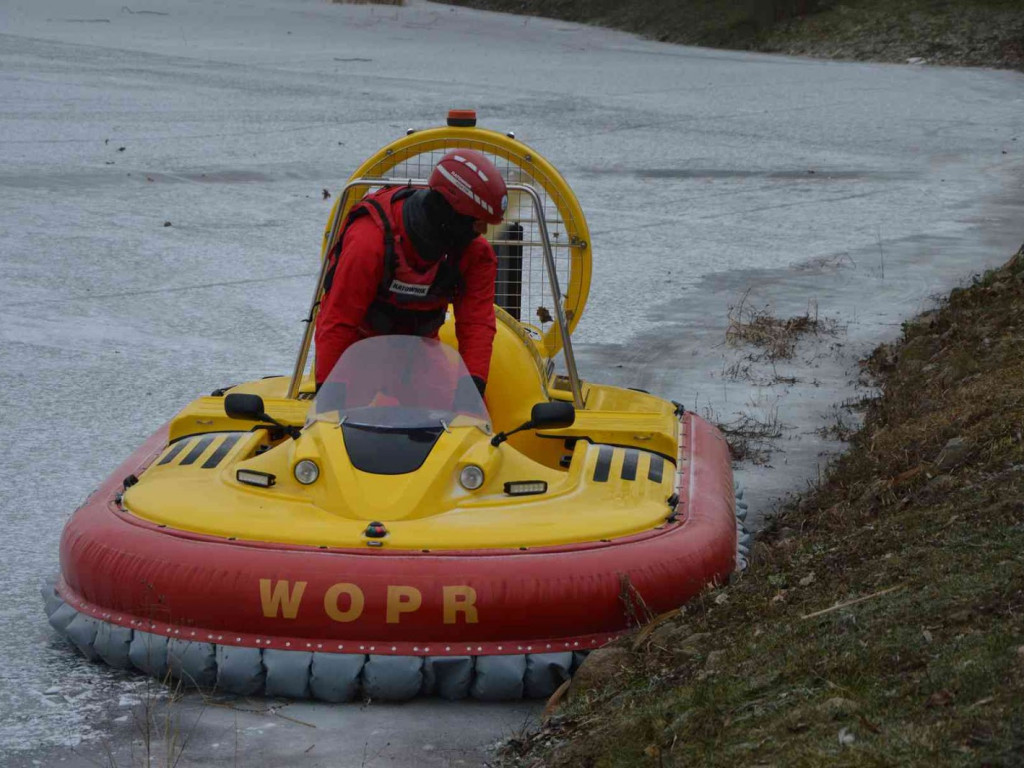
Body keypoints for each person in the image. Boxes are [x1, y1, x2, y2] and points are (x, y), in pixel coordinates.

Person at [314, 149, 508, 397]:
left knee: (454, 411)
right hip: (358, 349)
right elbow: (338, 319)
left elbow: (476, 323)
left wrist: (472, 389)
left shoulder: (475, 253)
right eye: (477, 222)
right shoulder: (368, 241)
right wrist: (328, 394)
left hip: (421, 351)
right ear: (450, 210)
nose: (481, 232)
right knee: (340, 413)